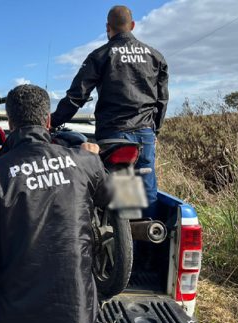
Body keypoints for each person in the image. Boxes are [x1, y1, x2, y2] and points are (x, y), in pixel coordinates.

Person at [0, 84, 112, 323]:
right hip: (76, 318)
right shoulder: (84, 162)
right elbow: (127, 199)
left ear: (10, 121)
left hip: (14, 322)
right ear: (48, 120)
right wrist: (97, 161)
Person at [51, 5, 169, 216]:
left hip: (114, 133)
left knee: (120, 191)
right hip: (145, 133)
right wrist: (155, 130)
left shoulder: (100, 55)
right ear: (132, 25)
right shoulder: (155, 56)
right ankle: (147, 244)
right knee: (147, 189)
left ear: (108, 27)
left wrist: (52, 120)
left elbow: (77, 96)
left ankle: (119, 243)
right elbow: (162, 100)